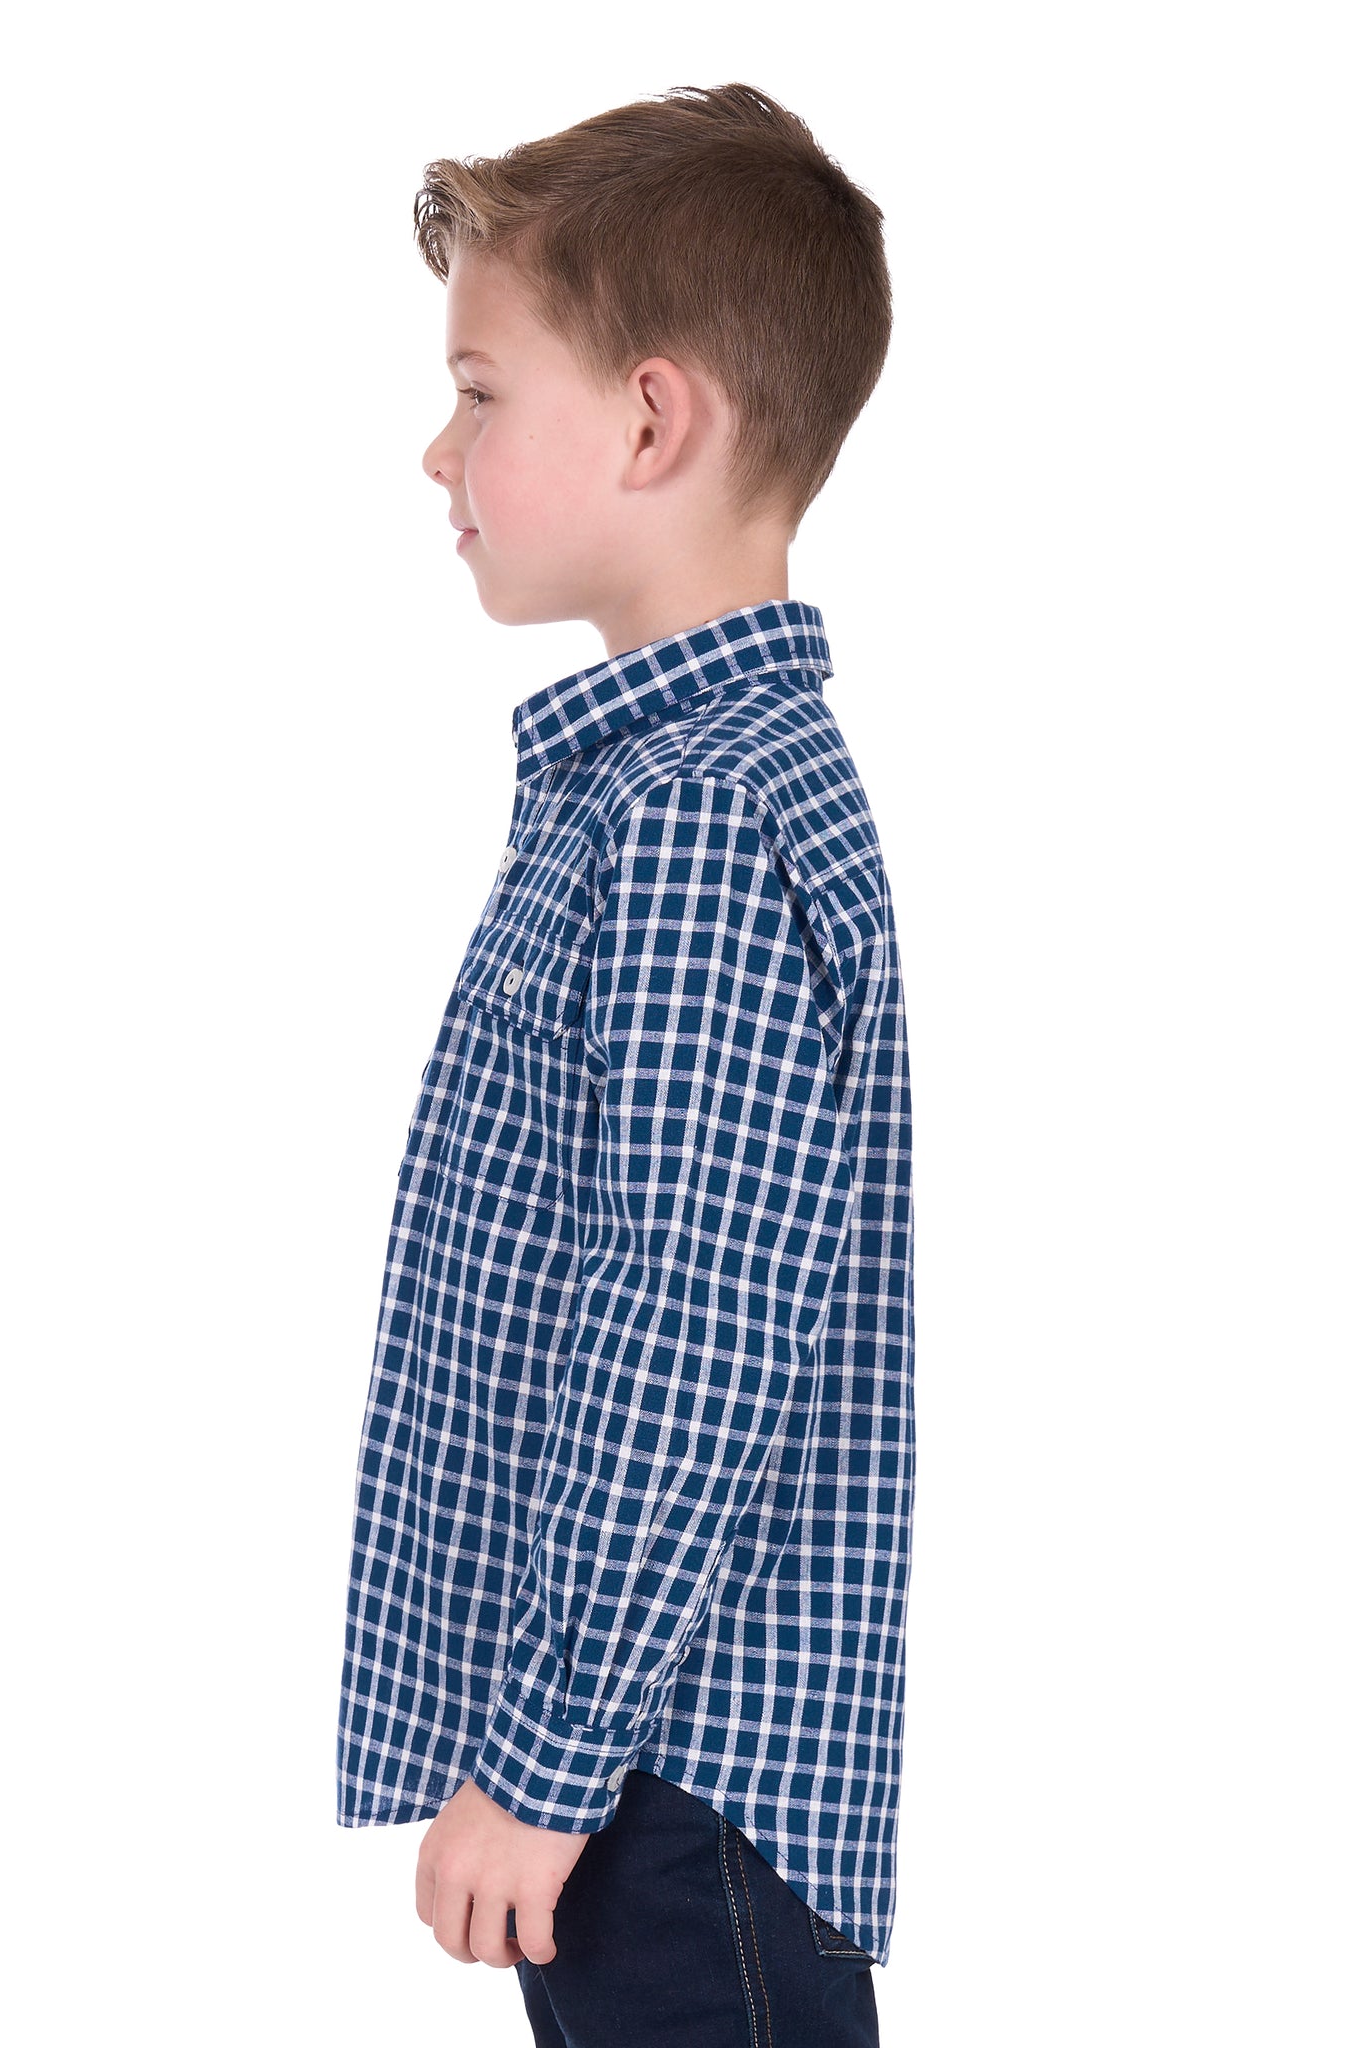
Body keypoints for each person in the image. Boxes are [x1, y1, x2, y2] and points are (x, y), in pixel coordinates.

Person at [335, 80, 915, 2048]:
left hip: (667, 1781)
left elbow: (684, 1325)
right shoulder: (673, 787)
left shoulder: (691, 819)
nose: (438, 449)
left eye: (479, 391)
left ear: (653, 421)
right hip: (654, 1772)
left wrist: (542, 1753)